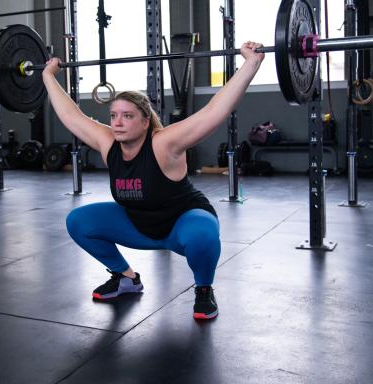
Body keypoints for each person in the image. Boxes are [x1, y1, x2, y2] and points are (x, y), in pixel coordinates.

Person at [42, 42, 264, 320]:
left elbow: (213, 113)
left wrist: (251, 64)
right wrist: (48, 76)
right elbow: (70, 115)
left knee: (203, 234)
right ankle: (126, 278)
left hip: (180, 225)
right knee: (79, 221)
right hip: (138, 225)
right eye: (113, 116)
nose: (117, 123)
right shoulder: (108, 142)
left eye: (127, 116)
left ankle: (204, 289)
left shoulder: (163, 143)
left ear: (145, 121)